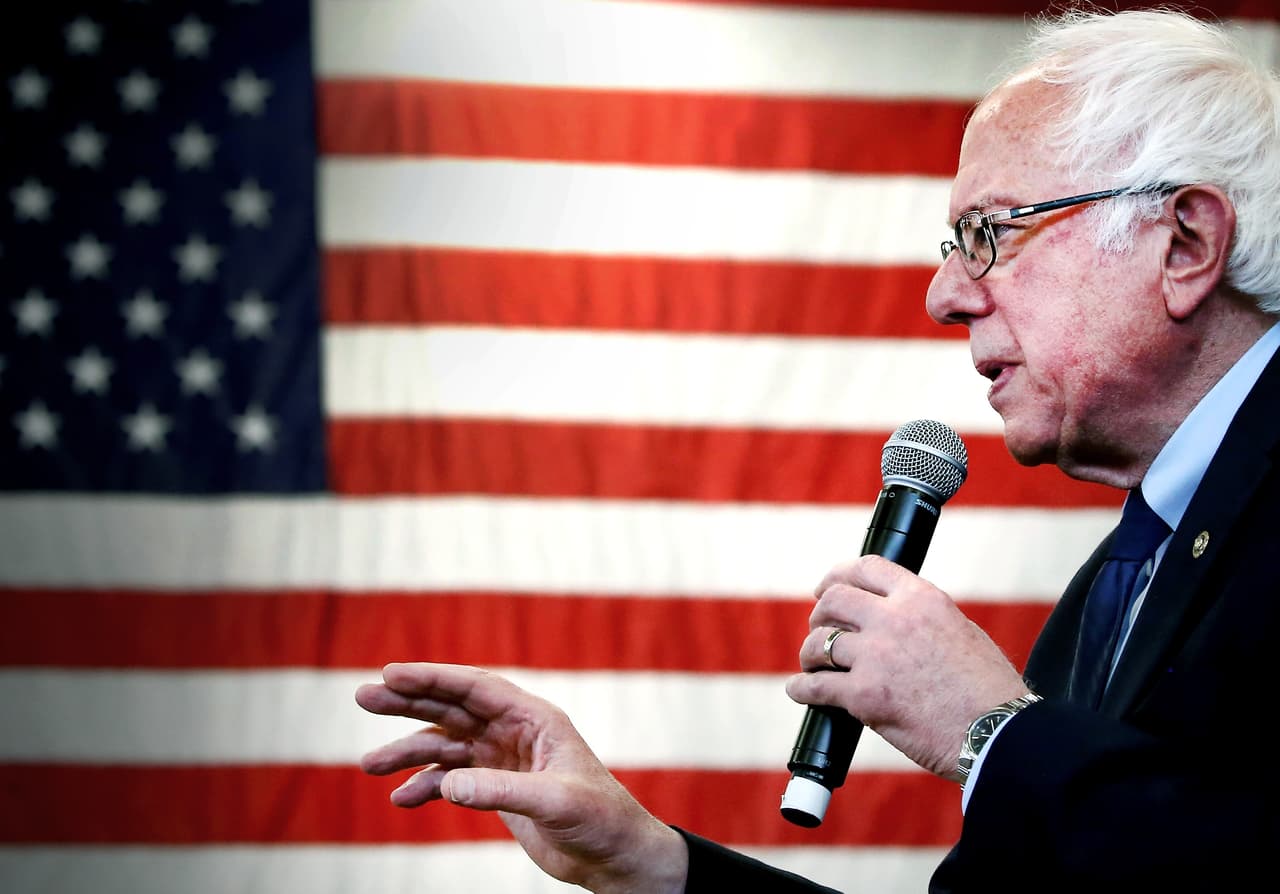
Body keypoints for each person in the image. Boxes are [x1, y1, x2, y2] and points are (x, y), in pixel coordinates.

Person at [355, 7, 1280, 892]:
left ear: (1185, 243)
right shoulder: (1106, 597)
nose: (944, 294)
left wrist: (989, 729)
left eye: (988, 234)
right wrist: (643, 862)